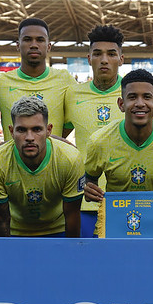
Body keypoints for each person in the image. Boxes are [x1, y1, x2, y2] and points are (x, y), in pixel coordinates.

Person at [84, 69, 153, 236]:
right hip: (113, 226)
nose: (140, 103)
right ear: (121, 104)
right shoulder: (99, 141)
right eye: (132, 97)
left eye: (147, 97)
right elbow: (89, 181)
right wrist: (89, 190)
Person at [0, 96, 84, 237]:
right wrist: (5, 255)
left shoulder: (69, 159)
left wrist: (71, 255)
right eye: (22, 130)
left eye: (37, 129)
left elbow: (73, 215)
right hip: (15, 231)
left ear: (48, 130)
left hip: (57, 229)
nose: (29, 137)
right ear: (11, 132)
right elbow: (0, 219)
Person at [62, 25, 126, 237]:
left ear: (121, 59)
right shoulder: (72, 95)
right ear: (89, 58)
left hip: (127, 198)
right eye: (98, 54)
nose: (104, 60)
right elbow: (58, 139)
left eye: (111, 54)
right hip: (84, 199)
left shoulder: (136, 94)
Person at [0, 18, 76, 139]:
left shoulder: (65, 80)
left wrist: (48, 141)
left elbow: (71, 121)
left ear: (48, 46)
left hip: (54, 158)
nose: (33, 45)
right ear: (18, 45)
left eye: (40, 40)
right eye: (27, 40)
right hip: (13, 158)